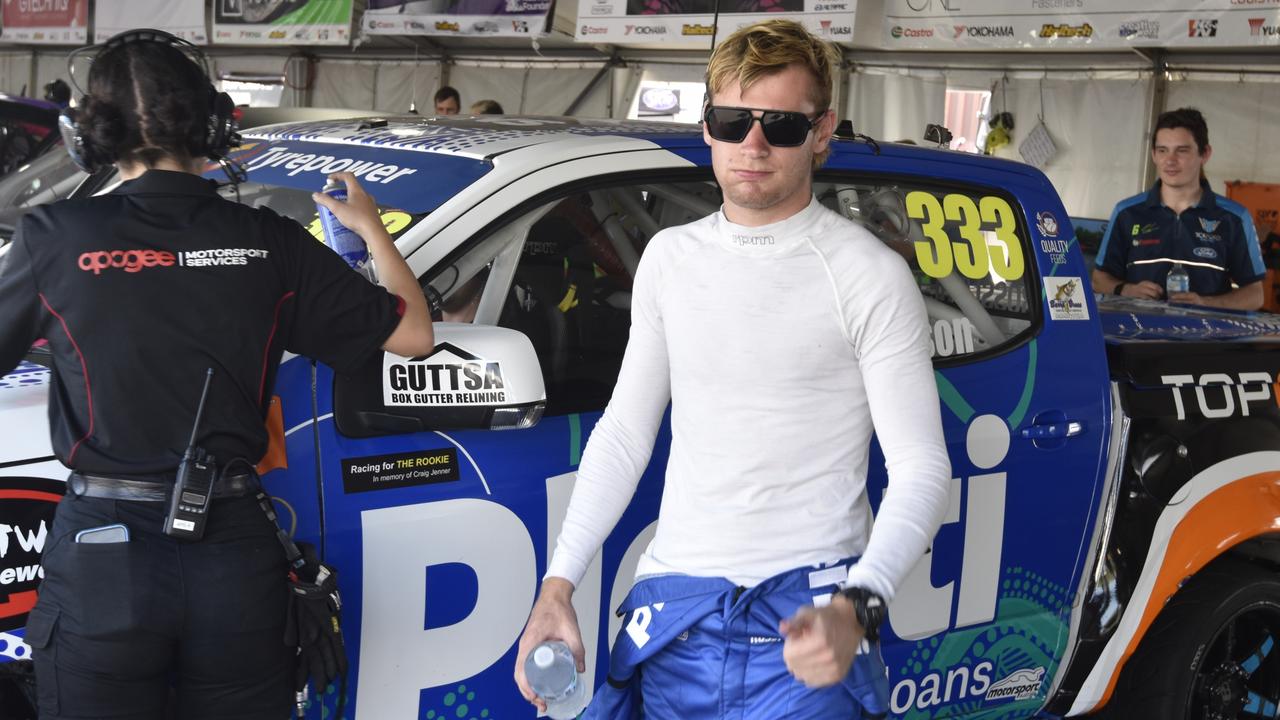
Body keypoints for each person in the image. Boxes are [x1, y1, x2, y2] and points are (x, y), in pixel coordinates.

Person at [514, 18, 950, 719]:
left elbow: (923, 466)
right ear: (708, 126)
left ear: (822, 131)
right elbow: (626, 433)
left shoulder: (868, 274)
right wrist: (557, 586)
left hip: (805, 628)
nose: (752, 144)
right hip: (674, 621)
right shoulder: (668, 259)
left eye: (780, 125)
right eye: (732, 119)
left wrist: (858, 606)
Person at [0, 30, 434, 719]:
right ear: (214, 123)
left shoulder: (53, 237)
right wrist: (372, 230)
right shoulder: (270, 240)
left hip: (104, 551)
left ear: (89, 134)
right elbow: (414, 336)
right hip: (233, 556)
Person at [1092, 107, 1265, 310]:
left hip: (1207, 340)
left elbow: (1255, 295)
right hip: (1139, 340)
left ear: (1205, 154)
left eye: (1182, 150)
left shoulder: (1234, 217)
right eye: (1162, 150)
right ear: (1154, 155)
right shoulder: (1126, 212)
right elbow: (1098, 279)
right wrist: (1125, 289)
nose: (1170, 160)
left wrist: (1206, 303)